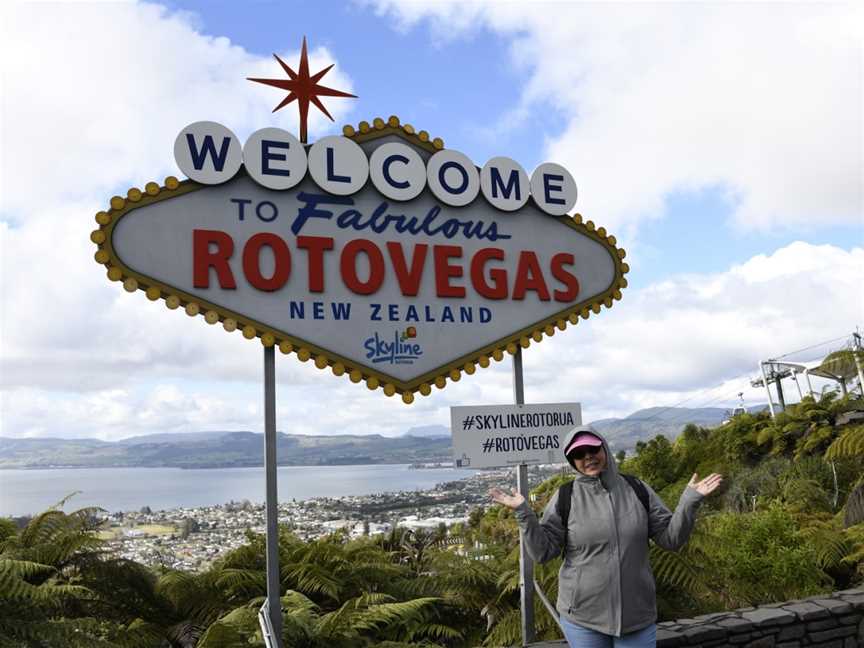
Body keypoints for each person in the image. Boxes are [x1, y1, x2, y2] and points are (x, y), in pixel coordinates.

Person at [489, 426, 722, 648]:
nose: (588, 456)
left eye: (593, 449)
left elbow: (671, 539)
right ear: (572, 462)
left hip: (636, 615)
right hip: (582, 617)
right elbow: (543, 553)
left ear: (604, 449)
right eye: (579, 454)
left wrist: (689, 502)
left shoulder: (637, 489)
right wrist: (523, 513)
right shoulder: (565, 497)